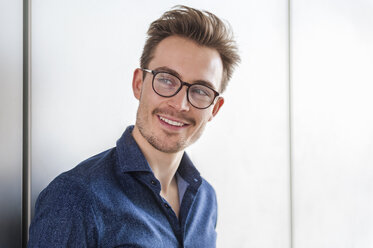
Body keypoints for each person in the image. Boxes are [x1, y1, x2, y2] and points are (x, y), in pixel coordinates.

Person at [28, 5, 240, 248]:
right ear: (139, 83)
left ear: (214, 108)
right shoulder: (76, 197)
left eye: (200, 91)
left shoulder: (205, 200)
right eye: (166, 80)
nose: (180, 104)